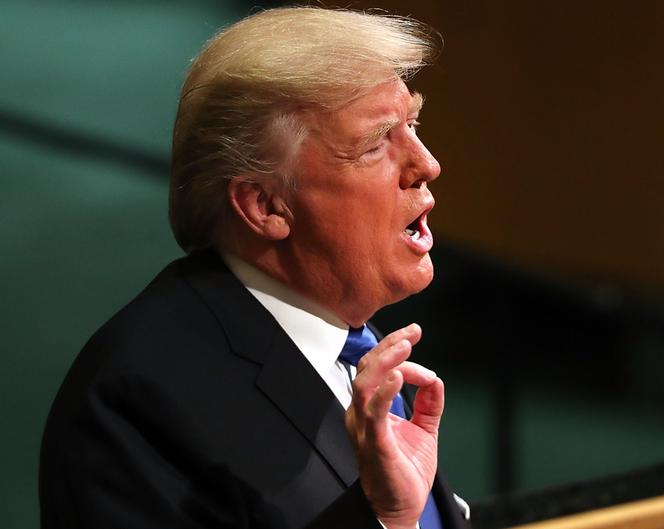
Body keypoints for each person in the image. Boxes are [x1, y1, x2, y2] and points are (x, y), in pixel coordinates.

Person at [39, 7, 470, 529]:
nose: (427, 164)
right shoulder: (138, 399)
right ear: (265, 206)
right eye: (376, 142)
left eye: (412, 124)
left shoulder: (344, 337)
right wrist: (385, 519)